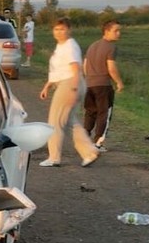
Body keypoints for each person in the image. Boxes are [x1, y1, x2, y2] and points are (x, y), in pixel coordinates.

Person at [38, 17, 99, 168]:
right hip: (69, 83)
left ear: (69, 30)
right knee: (70, 122)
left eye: (62, 29)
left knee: (55, 122)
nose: (59, 32)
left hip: (71, 83)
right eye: (56, 29)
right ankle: (89, 151)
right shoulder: (61, 46)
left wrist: (73, 88)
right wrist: (47, 86)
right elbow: (58, 70)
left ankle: (54, 157)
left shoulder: (70, 46)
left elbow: (75, 69)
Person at [83, 20, 124, 150]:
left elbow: (84, 65)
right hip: (103, 85)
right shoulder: (111, 47)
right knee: (104, 114)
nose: (119, 33)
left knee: (90, 112)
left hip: (89, 84)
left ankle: (84, 138)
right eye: (116, 31)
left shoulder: (92, 45)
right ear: (106, 31)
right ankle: (98, 142)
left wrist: (89, 78)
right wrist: (119, 82)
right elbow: (111, 67)